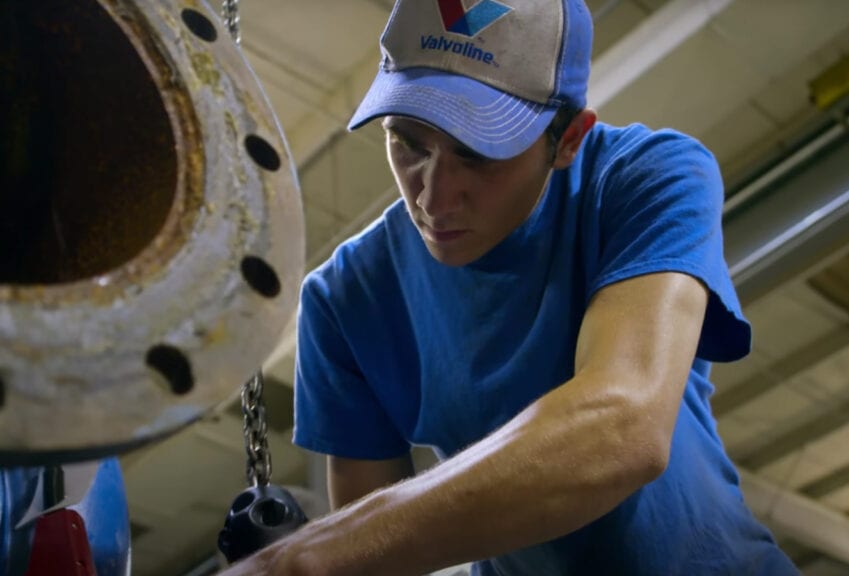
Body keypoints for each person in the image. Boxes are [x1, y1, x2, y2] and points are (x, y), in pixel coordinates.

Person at [223, 0, 799, 574]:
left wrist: (303, 559)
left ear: (569, 138)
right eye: (408, 143)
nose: (432, 198)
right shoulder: (345, 302)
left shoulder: (643, 178)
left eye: (478, 156)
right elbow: (375, 559)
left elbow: (623, 425)